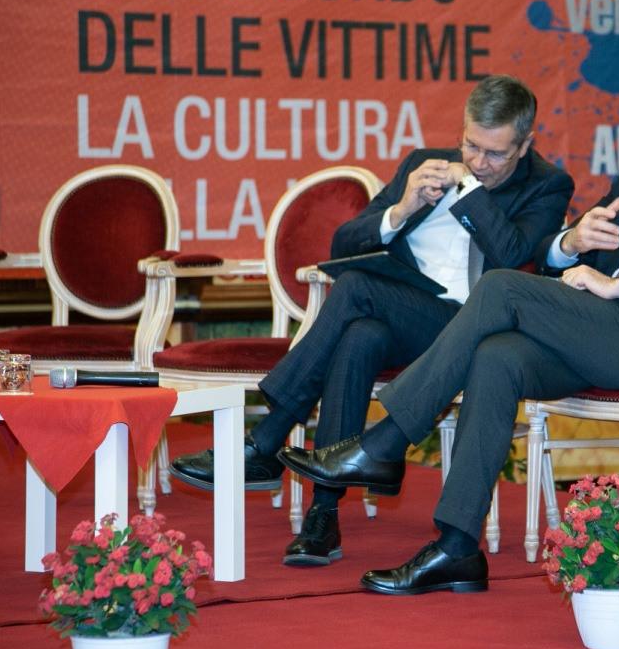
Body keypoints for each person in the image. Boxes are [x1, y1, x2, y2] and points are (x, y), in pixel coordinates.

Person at [277, 41, 619, 595]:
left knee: (500, 286)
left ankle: (383, 444)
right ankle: (457, 548)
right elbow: (558, 253)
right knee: (497, 357)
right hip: (610, 330)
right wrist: (573, 242)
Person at [168, 75, 574, 567]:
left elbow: (511, 253)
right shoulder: (424, 163)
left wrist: (468, 189)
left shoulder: (547, 185)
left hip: (469, 328)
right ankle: (322, 517)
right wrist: (401, 210)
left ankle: (267, 439)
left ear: (525, 144)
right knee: (359, 336)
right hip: (407, 316)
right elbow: (342, 246)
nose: (478, 162)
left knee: (357, 288)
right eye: (470, 145)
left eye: (495, 154)